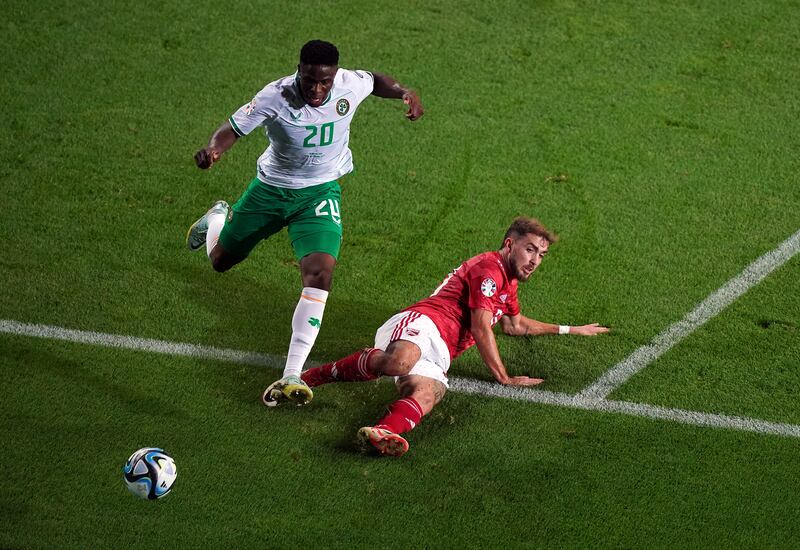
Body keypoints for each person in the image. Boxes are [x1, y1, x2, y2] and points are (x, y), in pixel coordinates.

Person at [186, 40, 424, 408]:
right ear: (299, 69)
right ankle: (218, 215)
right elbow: (232, 128)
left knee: (320, 274)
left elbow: (376, 80)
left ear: (334, 76)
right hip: (271, 191)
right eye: (309, 80)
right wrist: (215, 150)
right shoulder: (275, 96)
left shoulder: (349, 83)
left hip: (319, 194)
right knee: (220, 261)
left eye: (324, 82)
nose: (316, 89)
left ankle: (292, 373)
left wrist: (404, 92)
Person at [297, 217, 610, 457]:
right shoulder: (489, 269)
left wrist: (571, 329)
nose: (535, 261)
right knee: (399, 363)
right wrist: (505, 377)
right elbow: (480, 327)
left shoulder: (508, 284)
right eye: (530, 249)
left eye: (541, 255)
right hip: (424, 322)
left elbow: (515, 326)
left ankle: (382, 432)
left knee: (428, 393)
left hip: (441, 352)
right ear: (509, 244)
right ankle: (310, 377)